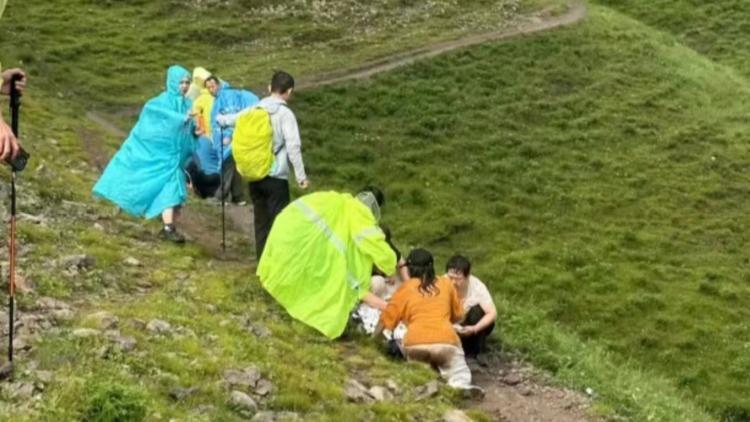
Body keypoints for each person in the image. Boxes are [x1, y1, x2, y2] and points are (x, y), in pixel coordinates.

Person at [257, 187, 396, 339]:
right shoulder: (361, 216)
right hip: (317, 251)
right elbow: (373, 245)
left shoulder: (335, 199)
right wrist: (390, 264)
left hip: (296, 237)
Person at [93, 65, 196, 243]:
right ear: (172, 82)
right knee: (169, 190)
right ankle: (168, 228)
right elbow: (153, 118)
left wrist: (195, 130)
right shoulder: (158, 103)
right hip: (159, 157)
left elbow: (189, 129)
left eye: (187, 82)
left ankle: (168, 227)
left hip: (175, 159)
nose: (185, 86)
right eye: (181, 82)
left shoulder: (188, 104)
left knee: (174, 192)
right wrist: (179, 119)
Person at [378, 248, 479, 391]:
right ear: (432, 266)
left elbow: (386, 321)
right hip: (446, 342)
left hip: (415, 344)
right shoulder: (446, 283)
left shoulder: (405, 288)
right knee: (457, 368)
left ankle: (427, 381)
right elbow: (458, 316)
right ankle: (460, 385)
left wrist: (372, 341)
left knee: (420, 367)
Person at [250, 70, 309, 259]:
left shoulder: (256, 109)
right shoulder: (285, 114)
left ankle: (261, 263)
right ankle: (278, 263)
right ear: (289, 91)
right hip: (276, 176)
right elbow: (293, 146)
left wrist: (221, 120)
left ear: (269, 87)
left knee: (260, 221)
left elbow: (234, 120)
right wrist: (301, 177)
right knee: (279, 222)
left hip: (255, 173)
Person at [446, 255, 497, 359]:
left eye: (458, 279)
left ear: (467, 276)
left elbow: (492, 313)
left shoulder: (477, 286)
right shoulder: (442, 283)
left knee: (477, 312)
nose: (453, 282)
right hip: (448, 324)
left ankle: (476, 351)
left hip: (469, 325)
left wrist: (474, 329)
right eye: (450, 278)